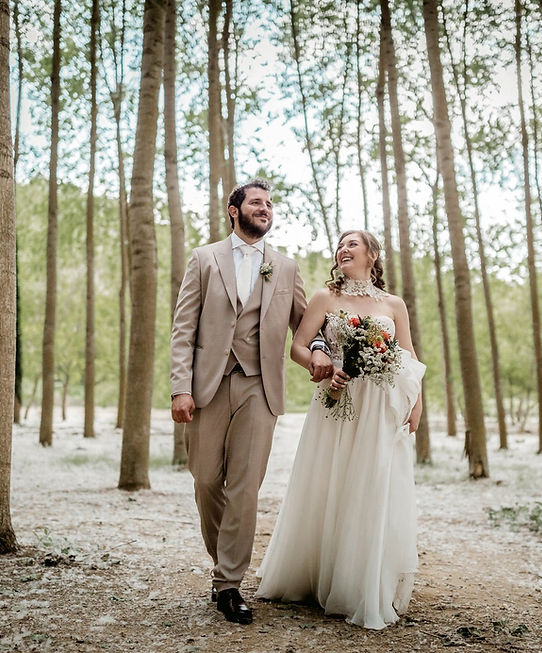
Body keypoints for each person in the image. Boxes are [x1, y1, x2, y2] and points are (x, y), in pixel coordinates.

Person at [170, 179, 333, 625]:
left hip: (260, 386)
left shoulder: (285, 266)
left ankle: (228, 584)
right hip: (209, 384)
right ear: (233, 210)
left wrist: (321, 349)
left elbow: (307, 325)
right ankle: (225, 561)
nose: (265, 208)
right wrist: (179, 387)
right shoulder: (205, 259)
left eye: (270, 204)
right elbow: (183, 329)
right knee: (206, 481)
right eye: (256, 202)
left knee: (245, 487)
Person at [255, 230, 426, 630]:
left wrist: (416, 402)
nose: (343, 249)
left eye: (352, 243)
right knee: (328, 482)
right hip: (336, 401)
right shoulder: (324, 298)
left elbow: (408, 355)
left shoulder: (393, 304)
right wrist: (323, 367)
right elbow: (297, 345)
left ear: (373, 254)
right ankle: (315, 575)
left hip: (381, 408)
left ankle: (359, 582)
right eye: (340, 244)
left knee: (371, 485)